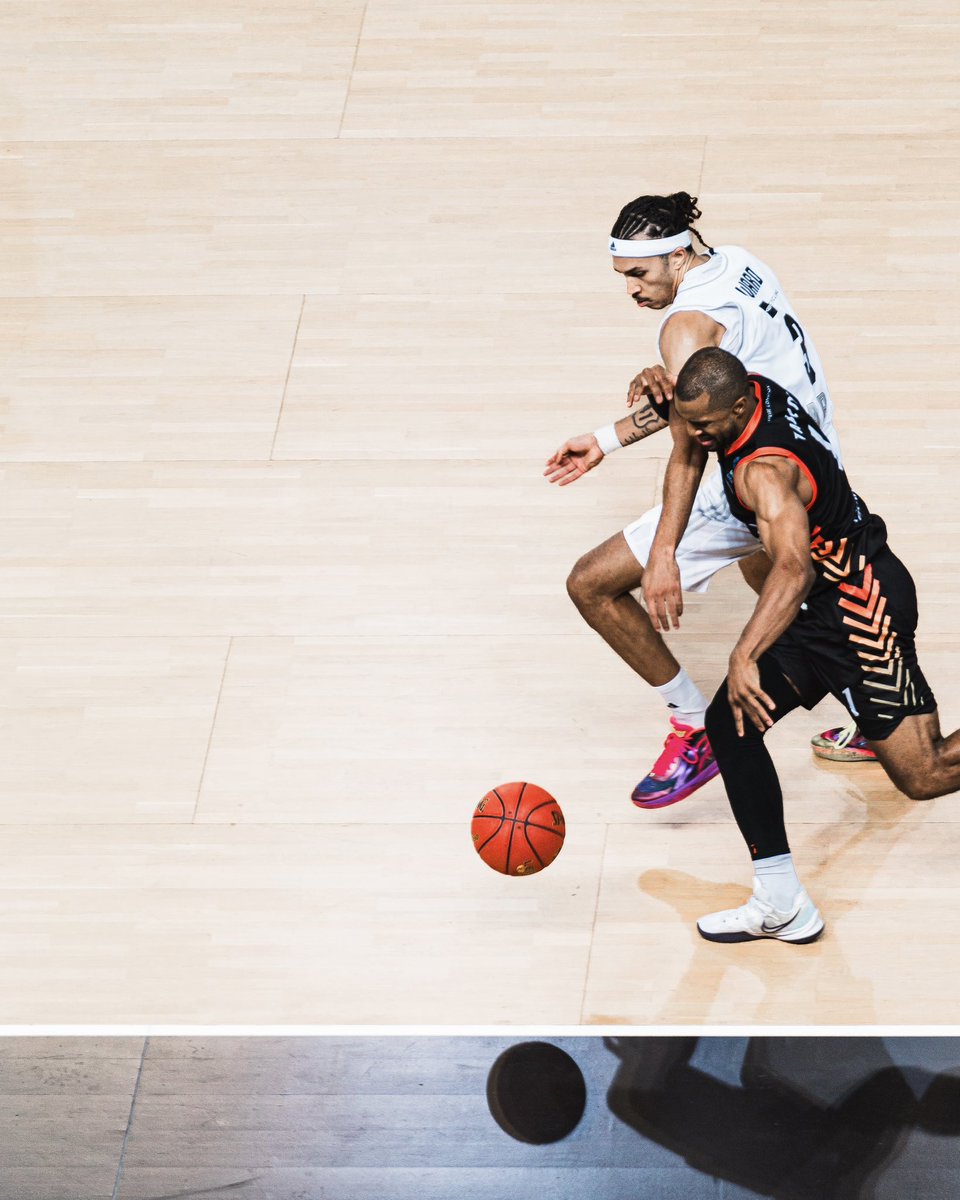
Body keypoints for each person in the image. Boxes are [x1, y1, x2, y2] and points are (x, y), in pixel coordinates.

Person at [544, 192, 871, 812]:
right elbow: (708, 394)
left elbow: (691, 446)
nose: (633, 292)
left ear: (675, 256)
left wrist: (663, 552)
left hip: (756, 477)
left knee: (590, 584)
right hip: (814, 458)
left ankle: (694, 727)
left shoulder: (684, 327)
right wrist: (607, 440)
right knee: (773, 580)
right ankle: (877, 722)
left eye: (639, 275)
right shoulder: (741, 263)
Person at [670, 347, 959, 944]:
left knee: (924, 774)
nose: (692, 435)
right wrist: (612, 433)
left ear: (740, 406)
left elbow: (793, 568)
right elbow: (683, 413)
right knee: (731, 721)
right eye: (687, 419)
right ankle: (781, 900)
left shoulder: (764, 472)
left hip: (861, 610)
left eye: (702, 425)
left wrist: (744, 653)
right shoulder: (747, 388)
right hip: (822, 607)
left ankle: (781, 899)